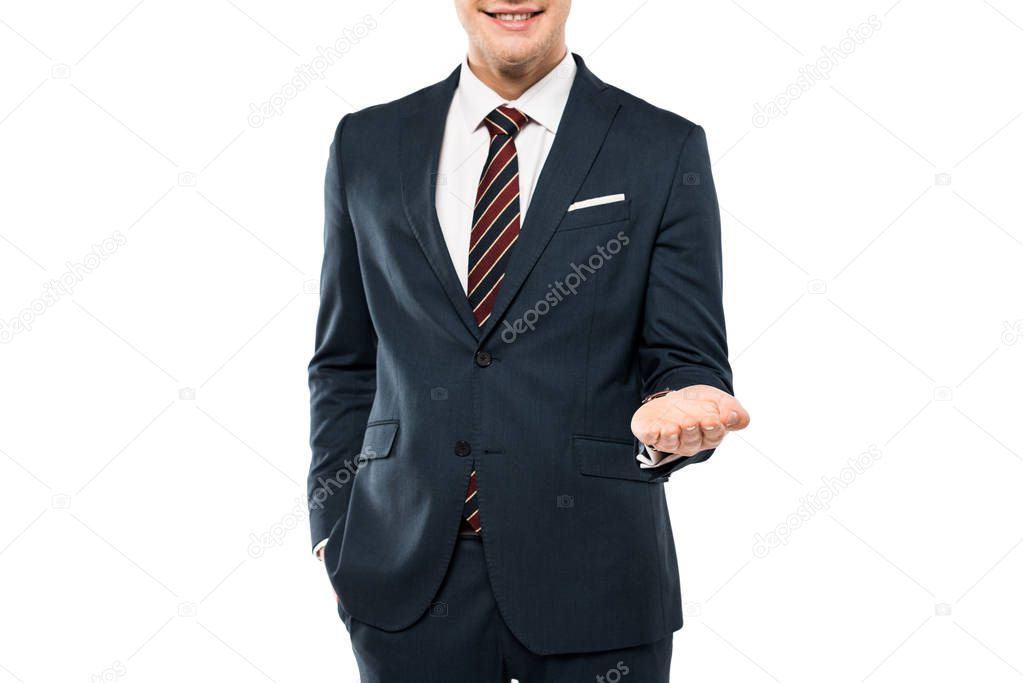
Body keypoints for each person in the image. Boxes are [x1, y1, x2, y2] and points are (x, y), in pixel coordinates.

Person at [307, 2, 751, 680]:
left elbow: (687, 354)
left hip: (596, 578)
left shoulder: (661, 145)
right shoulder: (366, 141)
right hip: (402, 582)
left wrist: (684, 406)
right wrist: (331, 525)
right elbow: (345, 359)